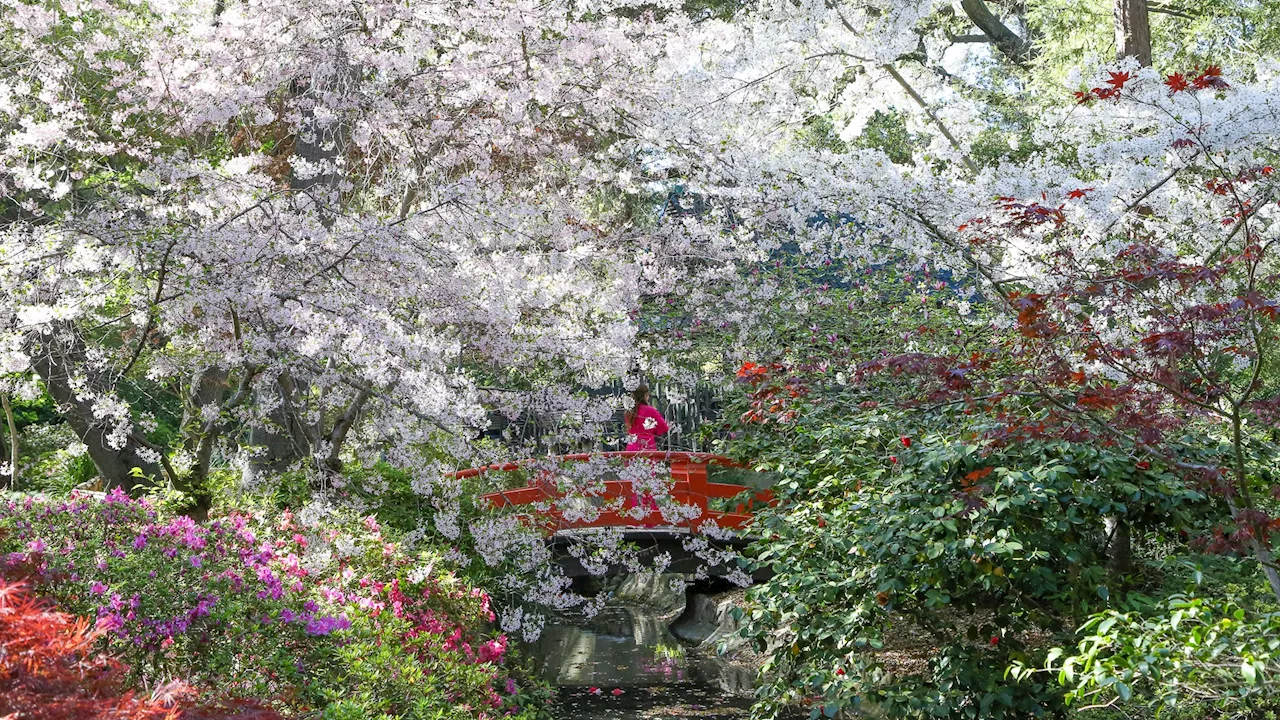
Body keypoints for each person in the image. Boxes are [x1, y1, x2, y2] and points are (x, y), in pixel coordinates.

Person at [623, 384, 668, 451]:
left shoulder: (629, 411)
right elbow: (663, 427)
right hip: (647, 445)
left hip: (631, 446)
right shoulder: (651, 410)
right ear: (646, 395)